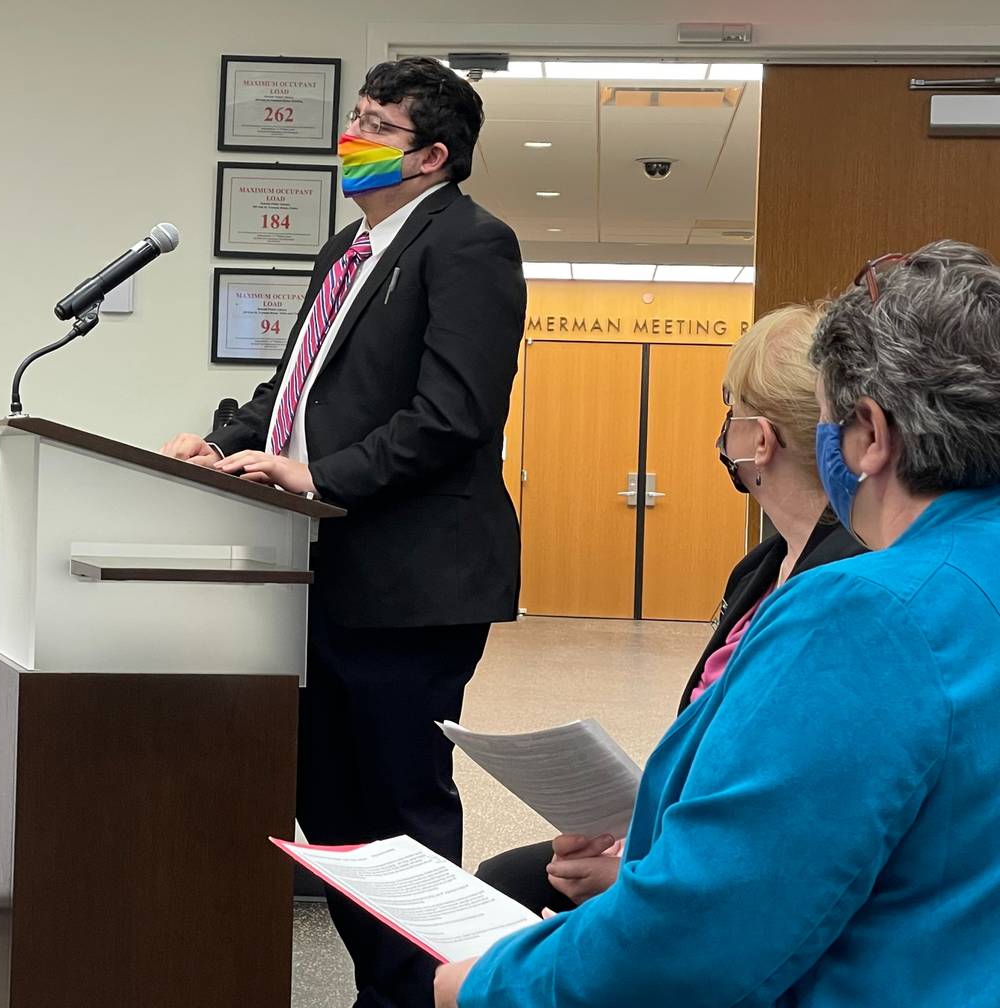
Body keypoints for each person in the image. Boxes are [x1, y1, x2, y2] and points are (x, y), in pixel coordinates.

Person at [437, 238, 1000, 1007]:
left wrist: (490, 985)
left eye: (832, 421)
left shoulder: (866, 612)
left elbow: (702, 937)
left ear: (869, 434)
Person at [162, 56, 524, 1008]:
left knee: (400, 805)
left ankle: (418, 995)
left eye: (375, 126)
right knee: (329, 803)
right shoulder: (348, 250)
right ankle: (387, 988)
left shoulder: (470, 245)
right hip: (324, 570)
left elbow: (454, 415)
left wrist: (321, 476)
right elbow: (295, 389)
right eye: (352, 120)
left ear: (434, 156)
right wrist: (220, 439)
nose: (350, 141)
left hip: (414, 581)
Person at [474, 304, 864, 914]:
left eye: (731, 412)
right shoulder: (762, 566)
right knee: (508, 876)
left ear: (758, 440)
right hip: (690, 830)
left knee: (507, 897)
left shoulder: (842, 583)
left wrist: (641, 874)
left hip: (739, 869)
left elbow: (784, 800)